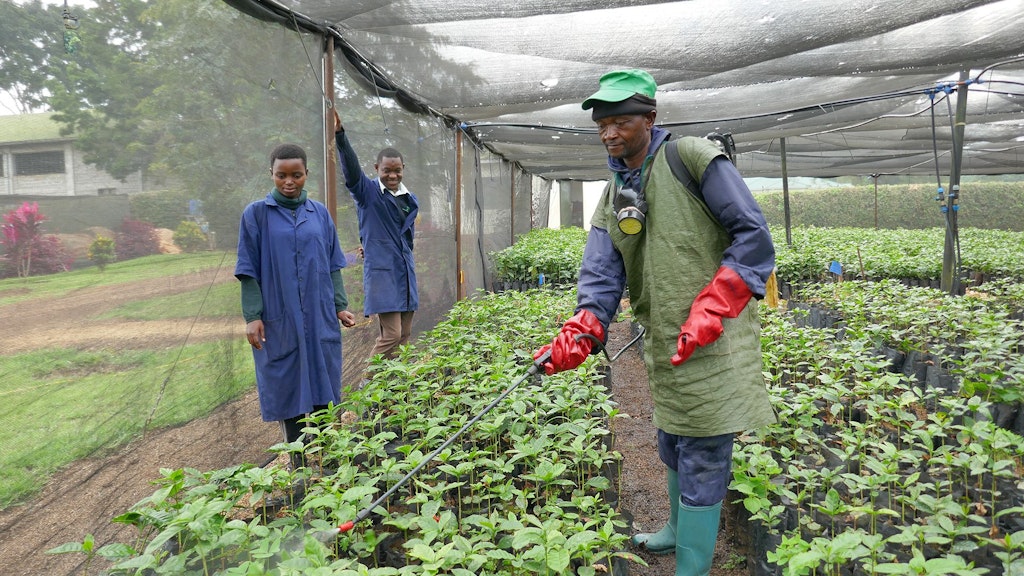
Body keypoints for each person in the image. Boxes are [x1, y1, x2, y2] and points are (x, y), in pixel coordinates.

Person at [533, 69, 777, 576]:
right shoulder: (615, 190)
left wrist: (714, 304)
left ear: (650, 118)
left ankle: (693, 567)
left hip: (714, 336)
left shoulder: (692, 159)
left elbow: (752, 235)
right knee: (670, 434)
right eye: (601, 124)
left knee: (705, 450)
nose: (608, 133)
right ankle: (673, 528)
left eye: (620, 121)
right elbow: (602, 270)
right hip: (663, 335)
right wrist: (584, 326)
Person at [235, 142, 357, 470]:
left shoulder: (319, 214)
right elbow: (248, 270)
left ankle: (330, 458)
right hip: (279, 316)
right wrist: (253, 316)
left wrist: (339, 306)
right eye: (282, 175)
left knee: (322, 381)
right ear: (271, 175)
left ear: (306, 174)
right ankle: (300, 464)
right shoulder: (256, 215)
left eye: (296, 175)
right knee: (287, 384)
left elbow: (332, 264)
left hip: (318, 315)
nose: (289, 181)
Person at [333, 109, 419, 360]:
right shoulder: (368, 193)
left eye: (397, 170)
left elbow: (406, 237)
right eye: (386, 170)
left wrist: (370, 243)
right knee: (391, 335)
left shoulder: (409, 200)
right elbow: (351, 172)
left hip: (404, 272)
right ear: (377, 168)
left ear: (403, 168)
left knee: (404, 335)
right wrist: (340, 136)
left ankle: (393, 388)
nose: (392, 175)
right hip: (383, 275)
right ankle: (368, 385)